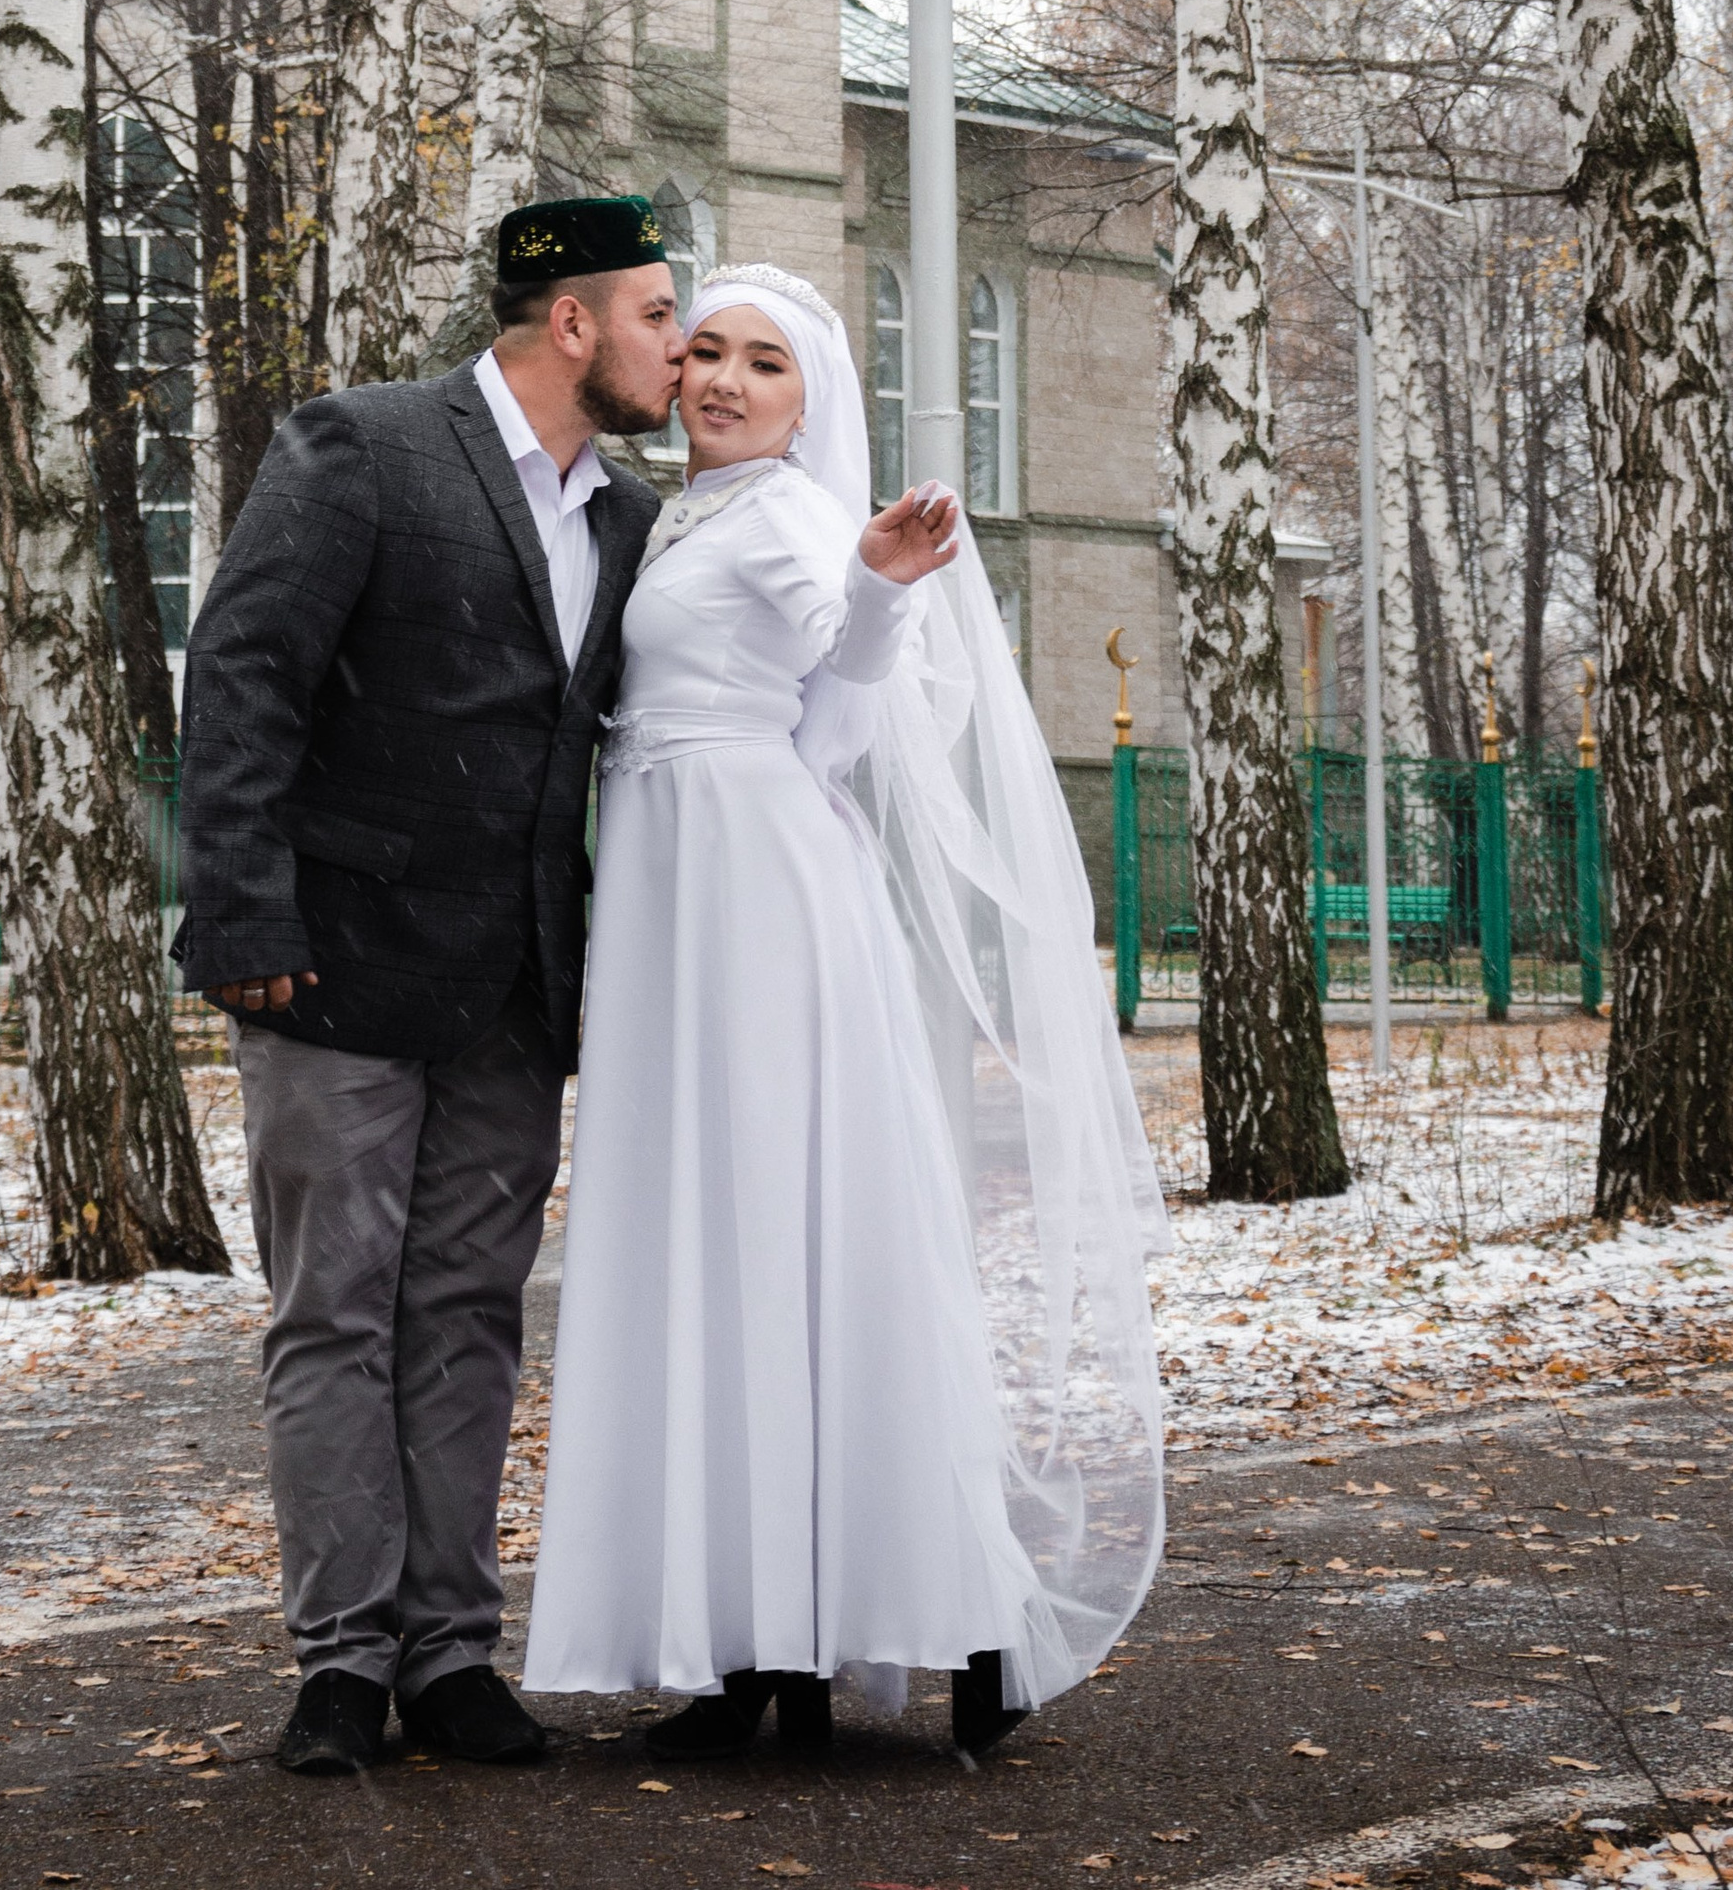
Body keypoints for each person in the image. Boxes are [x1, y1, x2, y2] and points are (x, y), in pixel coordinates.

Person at [524, 263, 1167, 1757]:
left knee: (780, 1232)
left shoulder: (800, 516)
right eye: (709, 354)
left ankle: (822, 1644)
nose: (728, 381)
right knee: (724, 1245)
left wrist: (880, 580)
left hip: (755, 892)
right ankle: (764, 1647)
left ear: (812, 403)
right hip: (687, 886)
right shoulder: (688, 510)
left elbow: (848, 652)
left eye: (768, 365)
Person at [175, 194, 686, 1779]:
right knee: (333, 1314)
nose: (681, 345)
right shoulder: (365, 445)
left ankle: (453, 1654)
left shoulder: (630, 522)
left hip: (516, 992)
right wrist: (244, 912)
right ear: (575, 322)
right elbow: (243, 671)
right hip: (329, 964)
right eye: (662, 313)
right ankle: (341, 1661)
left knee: (466, 1318)